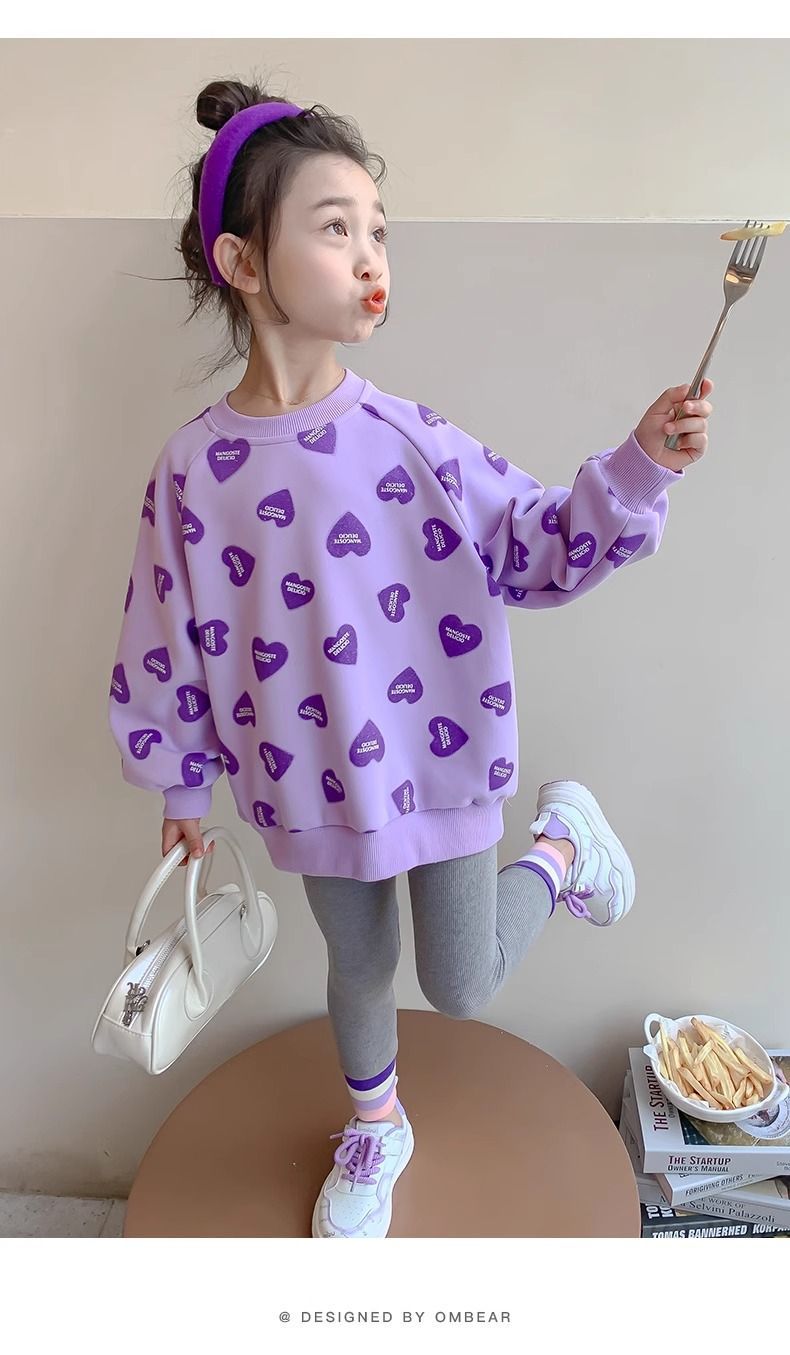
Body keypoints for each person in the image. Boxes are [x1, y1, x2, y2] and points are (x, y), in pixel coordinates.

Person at [107, 77, 713, 1239]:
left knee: (462, 980)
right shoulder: (191, 470)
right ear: (242, 261)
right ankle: (377, 1123)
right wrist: (181, 783)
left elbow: (534, 545)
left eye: (378, 230)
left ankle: (560, 843)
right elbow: (163, 631)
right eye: (335, 226)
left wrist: (639, 465)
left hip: (440, 759)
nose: (370, 254)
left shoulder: (407, 438)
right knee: (357, 955)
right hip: (305, 775)